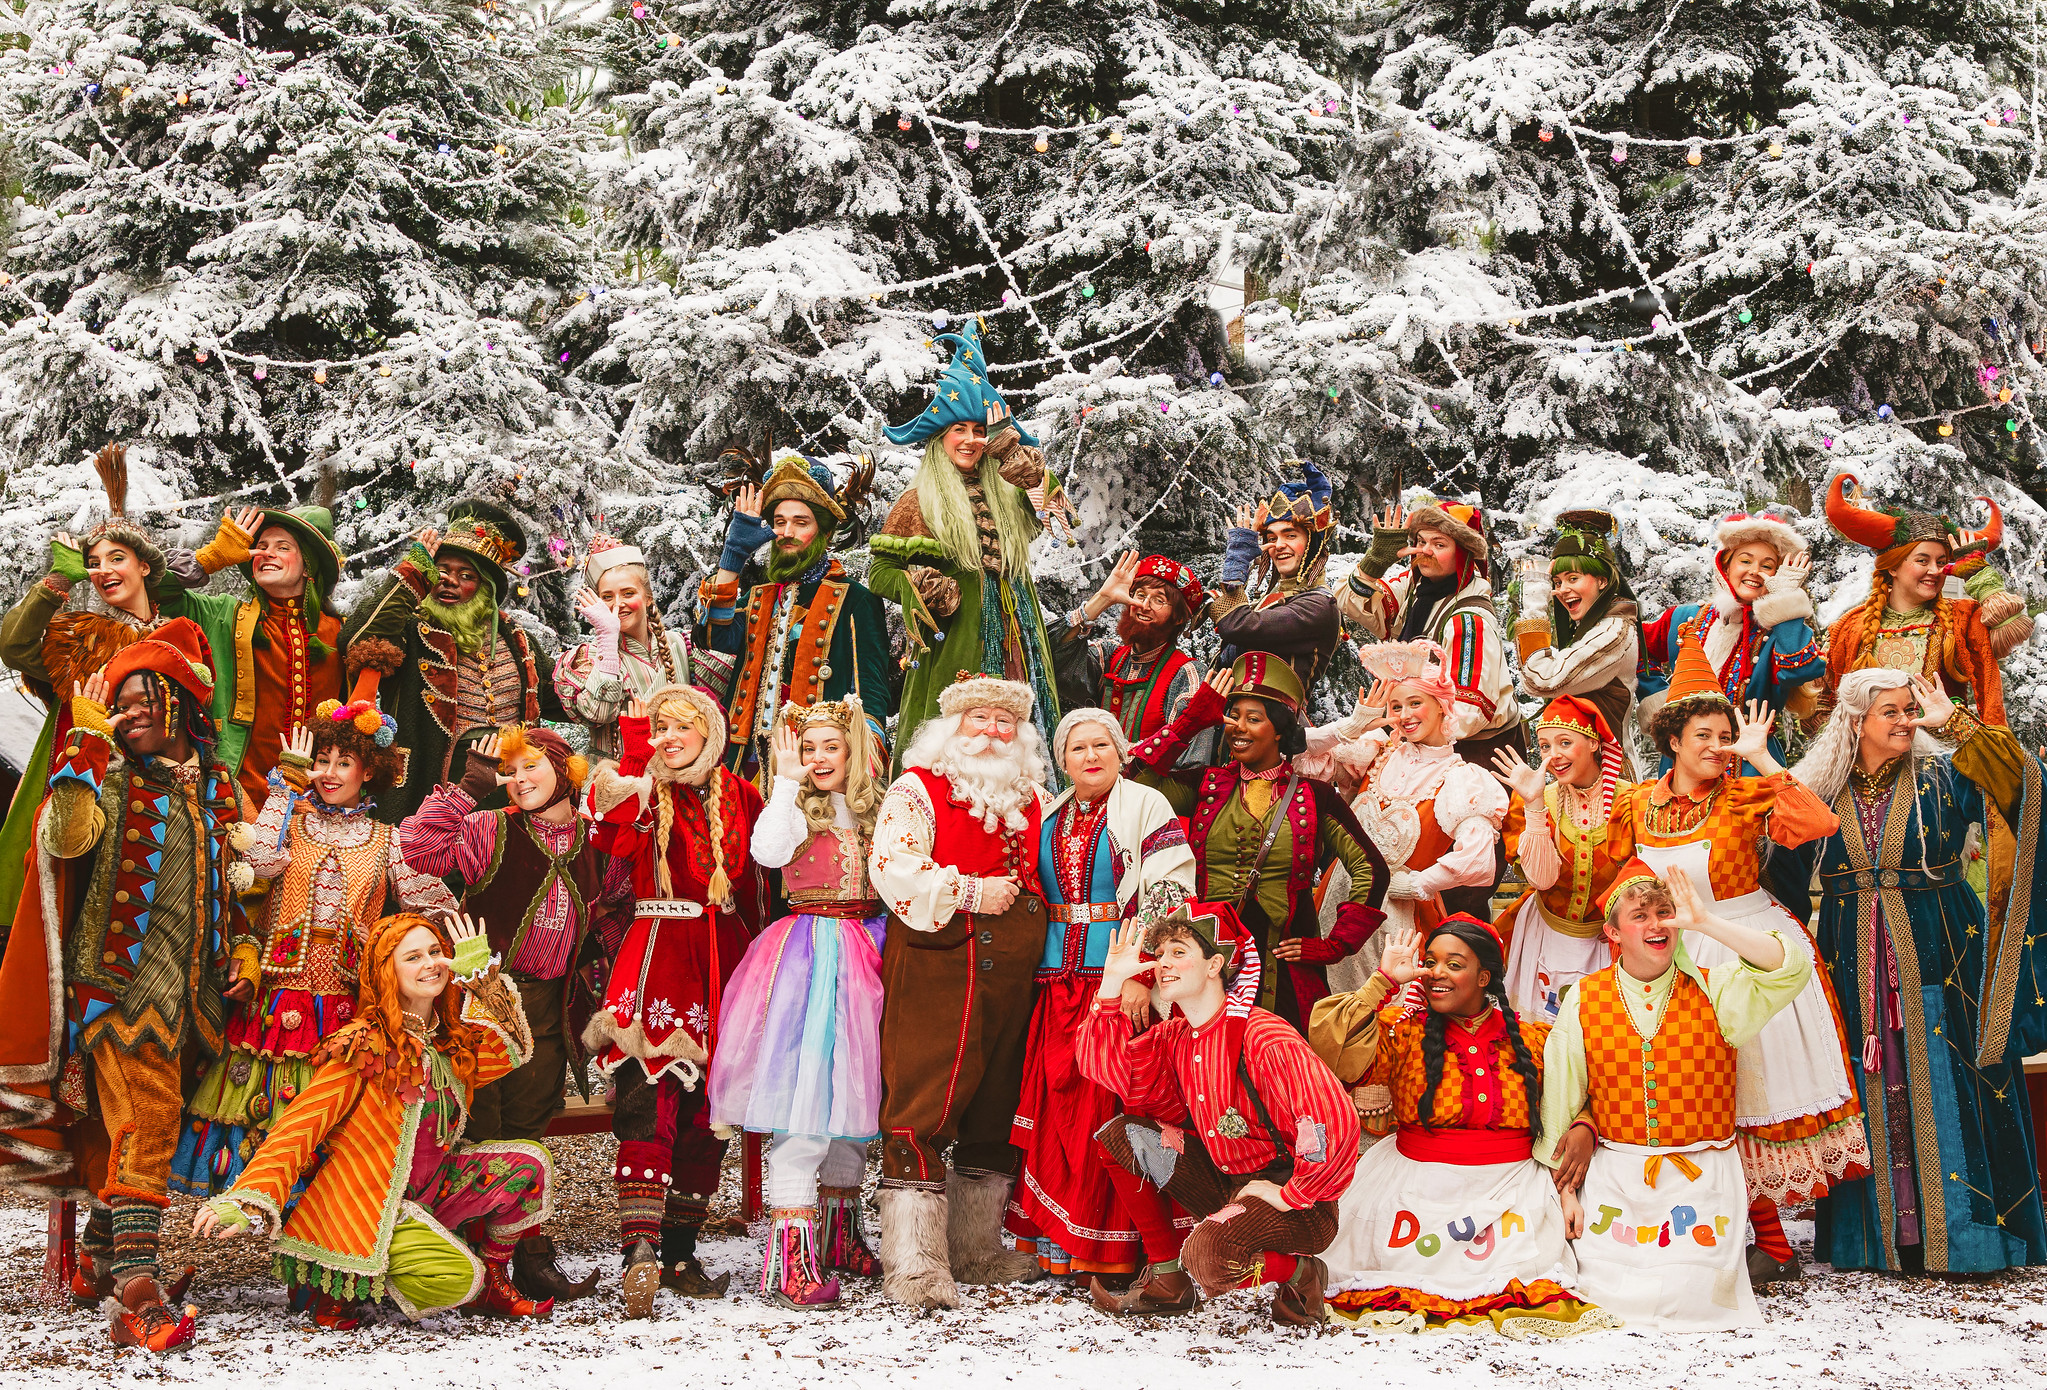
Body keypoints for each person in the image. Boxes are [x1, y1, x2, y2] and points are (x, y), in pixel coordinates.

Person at [0, 618, 244, 1352]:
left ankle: (100, 1259)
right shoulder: (106, 775)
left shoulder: (216, 787)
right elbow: (65, 839)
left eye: (142, 700)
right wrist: (82, 740)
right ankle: (137, 1287)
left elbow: (236, 886)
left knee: (146, 1130)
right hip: (117, 987)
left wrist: (247, 949)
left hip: (194, 997)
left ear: (177, 702)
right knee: (149, 1120)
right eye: (120, 702)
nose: (130, 714)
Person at [1619, 635, 1867, 1285]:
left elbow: (1817, 825)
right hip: (1673, 957)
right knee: (1696, 1102)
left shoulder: (1743, 795)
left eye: (1725, 735)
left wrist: (1762, 758)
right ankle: (1717, 1230)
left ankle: (1772, 1247)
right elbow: (1623, 878)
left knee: (1748, 1097)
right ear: (1672, 739)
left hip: (1747, 949)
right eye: (1704, 734)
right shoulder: (1637, 803)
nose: (1716, 745)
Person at [1794, 671, 2047, 1275]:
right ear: (1856, 720)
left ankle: (1961, 1236)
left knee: (1948, 1071)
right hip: (1851, 953)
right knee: (1868, 1078)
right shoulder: (1818, 788)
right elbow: (1774, 866)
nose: (1906, 720)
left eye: (1910, 709)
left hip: (1943, 951)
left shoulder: (1943, 776)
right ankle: (1876, 1238)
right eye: (1892, 711)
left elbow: (2024, 786)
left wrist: (1955, 725)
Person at [189, 913, 556, 1327]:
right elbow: (298, 1129)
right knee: (456, 1277)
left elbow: (513, 1047)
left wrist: (482, 980)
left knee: (529, 1165)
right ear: (387, 973)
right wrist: (244, 1201)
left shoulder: (449, 1044)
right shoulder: (363, 1048)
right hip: (368, 1205)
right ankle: (345, 1277)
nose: (430, 964)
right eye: (413, 957)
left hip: (431, 1193)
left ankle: (492, 1281)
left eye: (436, 952)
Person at [169, 705, 454, 1196]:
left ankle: (319, 1226)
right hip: (275, 995)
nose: (329, 773)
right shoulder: (290, 823)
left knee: (332, 1118)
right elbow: (258, 863)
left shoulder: (388, 839)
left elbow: (424, 905)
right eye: (321, 760)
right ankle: (259, 1204)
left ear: (368, 770)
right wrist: (284, 785)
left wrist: (459, 944)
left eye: (344, 762)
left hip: (346, 1005)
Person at [1306, 916, 1617, 1337]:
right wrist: (1381, 981)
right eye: (1430, 962)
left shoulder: (1534, 1039)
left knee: (1520, 1281)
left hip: (1510, 1189)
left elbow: (1579, 1095)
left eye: (1454, 964)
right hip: (1414, 1186)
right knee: (1392, 1281)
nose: (1436, 972)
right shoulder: (1402, 1033)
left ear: (1484, 976)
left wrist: (1583, 1125)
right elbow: (1329, 1049)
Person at [1537, 863, 1811, 1332]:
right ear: (1613, 933)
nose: (1656, 923)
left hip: (1700, 1178)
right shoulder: (1585, 996)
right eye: (1640, 915)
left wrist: (1706, 922)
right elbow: (1562, 1097)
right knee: (1600, 1295)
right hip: (1616, 1176)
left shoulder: (1715, 987)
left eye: (1665, 912)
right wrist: (1563, 1190)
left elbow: (1792, 967)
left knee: (1694, 1296)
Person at [398, 723, 610, 1304]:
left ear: (565, 771)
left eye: (529, 767)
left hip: (548, 1005)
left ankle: (530, 1258)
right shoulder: (492, 827)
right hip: (480, 1004)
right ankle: (468, 1261)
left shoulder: (596, 837)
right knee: (479, 1127)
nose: (517, 781)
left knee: (529, 1128)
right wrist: (469, 788)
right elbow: (417, 847)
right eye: (509, 771)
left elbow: (614, 906)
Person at [865, 674, 1054, 1309]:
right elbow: (891, 865)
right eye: (979, 721)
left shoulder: (1035, 797)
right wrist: (971, 892)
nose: (993, 734)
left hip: (1016, 977)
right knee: (924, 1104)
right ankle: (914, 1265)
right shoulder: (916, 788)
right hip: (939, 965)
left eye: (1006, 724)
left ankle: (975, 1248)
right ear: (952, 729)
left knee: (995, 1109)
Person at [1079, 902, 1361, 1325]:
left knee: (1208, 1260)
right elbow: (1112, 1072)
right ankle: (1167, 1281)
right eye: (1159, 955)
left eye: (1178, 951)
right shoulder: (1176, 1035)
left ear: (1215, 964)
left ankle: (1305, 1273)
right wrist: (1110, 988)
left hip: (1300, 1203)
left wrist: (1289, 1193)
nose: (1163, 964)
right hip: (1227, 1183)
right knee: (1122, 1133)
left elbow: (1329, 1121)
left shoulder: (1262, 1035)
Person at [582, 683, 767, 1314]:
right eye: (661, 726)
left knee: (708, 1109)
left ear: (708, 732)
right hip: (658, 950)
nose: (670, 736)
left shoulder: (743, 794)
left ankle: (681, 1250)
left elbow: (761, 879)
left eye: (681, 726)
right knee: (645, 1094)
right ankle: (640, 1249)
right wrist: (637, 755)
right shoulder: (644, 789)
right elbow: (607, 827)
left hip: (722, 955)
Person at [0, 446, 235, 939]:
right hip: (82, 790)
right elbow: (14, 645)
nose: (103, 569)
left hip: (159, 803)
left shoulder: (182, 635)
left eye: (117, 558)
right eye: (92, 562)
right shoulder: (83, 634)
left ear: (145, 567)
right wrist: (58, 579)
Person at [1006, 707, 1197, 1292]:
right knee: (1058, 1109)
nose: (1090, 758)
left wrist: (1144, 972)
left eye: (1101, 746)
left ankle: (1119, 1246)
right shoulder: (1049, 812)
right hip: (1056, 983)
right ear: (1061, 762)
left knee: (1106, 1109)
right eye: (1077, 749)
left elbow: (1169, 887)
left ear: (1120, 751)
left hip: (1116, 982)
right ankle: (1058, 1245)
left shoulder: (1147, 805)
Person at [710, 698, 886, 1310]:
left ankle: (841, 1237)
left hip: (869, 950)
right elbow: (766, 853)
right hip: (811, 953)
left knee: (856, 1096)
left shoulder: (874, 808)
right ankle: (790, 1259)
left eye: (829, 748)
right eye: (807, 749)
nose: (817, 759)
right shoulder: (791, 808)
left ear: (852, 751)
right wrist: (782, 782)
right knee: (808, 1098)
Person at [1124, 652, 1388, 1029]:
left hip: (1285, 973)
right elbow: (1136, 781)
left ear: (1279, 729)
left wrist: (1334, 945)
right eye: (1233, 717)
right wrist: (1189, 723)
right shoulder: (1207, 784)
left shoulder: (1316, 796)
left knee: (1277, 1076)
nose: (1238, 728)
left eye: (1254, 719)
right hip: (1207, 965)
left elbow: (1371, 868)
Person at [868, 319, 1067, 767]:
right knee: (951, 740)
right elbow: (878, 571)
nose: (971, 440)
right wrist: (920, 582)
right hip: (954, 634)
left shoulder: (1008, 490)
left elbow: (1052, 510)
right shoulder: (917, 499)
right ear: (940, 439)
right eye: (960, 430)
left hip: (1018, 629)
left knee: (1020, 737)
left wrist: (1012, 458)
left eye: (980, 431)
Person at [340, 499, 564, 823]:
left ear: (485, 589)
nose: (449, 580)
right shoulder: (410, 629)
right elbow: (357, 638)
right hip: (425, 793)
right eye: (441, 571)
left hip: (509, 798)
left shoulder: (516, 640)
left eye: (465, 574)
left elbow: (560, 696)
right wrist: (411, 577)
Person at [1303, 640, 1507, 950]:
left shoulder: (1461, 779)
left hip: (1397, 919)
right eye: (1396, 706)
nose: (1405, 714)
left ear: (1442, 705)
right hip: (1335, 901)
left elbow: (1478, 861)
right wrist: (1355, 725)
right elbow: (1298, 754)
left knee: (1390, 995)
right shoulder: (1374, 753)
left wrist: (1418, 884)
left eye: (1415, 703)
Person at [698, 454, 891, 778]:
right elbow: (715, 635)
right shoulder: (760, 596)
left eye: (801, 522)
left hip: (814, 768)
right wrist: (732, 557)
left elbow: (870, 693)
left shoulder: (856, 600)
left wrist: (862, 766)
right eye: (779, 522)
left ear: (824, 532)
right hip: (744, 765)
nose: (787, 532)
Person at [158, 486, 351, 809]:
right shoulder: (224, 616)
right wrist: (209, 559)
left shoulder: (341, 631)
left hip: (321, 799)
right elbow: (154, 589)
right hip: (238, 795)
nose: (266, 553)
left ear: (308, 567)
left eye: (282, 546)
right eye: (260, 546)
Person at [1820, 476, 2030, 724]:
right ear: (1894, 567)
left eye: (1942, 562)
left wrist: (1979, 576)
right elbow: (1822, 701)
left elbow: (2015, 629)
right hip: (1868, 760)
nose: (1935, 570)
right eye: (1923, 560)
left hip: (1942, 758)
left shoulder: (1961, 618)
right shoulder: (1849, 626)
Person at [1343, 497, 1523, 785]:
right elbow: (1349, 603)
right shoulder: (1417, 588)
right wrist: (1375, 561)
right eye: (1421, 541)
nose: (1425, 551)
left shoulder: (1468, 621)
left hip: (1472, 762)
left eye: (1439, 545)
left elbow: (1469, 712)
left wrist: (1402, 731)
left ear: (1463, 554)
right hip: (1420, 742)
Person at [1635, 507, 1822, 771]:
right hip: (1682, 764)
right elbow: (1636, 648)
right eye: (1745, 561)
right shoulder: (1684, 618)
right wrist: (1658, 697)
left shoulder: (1778, 633)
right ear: (1726, 564)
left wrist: (1784, 603)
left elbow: (1801, 669)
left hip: (1747, 767)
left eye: (1767, 566)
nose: (1755, 571)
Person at [1490, 695, 1637, 1024]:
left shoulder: (1633, 801)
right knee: (1540, 1031)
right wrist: (1534, 805)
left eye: (1565, 743)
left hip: (1607, 944)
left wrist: (1623, 920)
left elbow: (1647, 877)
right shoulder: (1541, 800)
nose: (1553, 756)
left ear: (1594, 743)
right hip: (1544, 937)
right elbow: (1541, 882)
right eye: (1544, 746)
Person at [555, 532, 735, 761]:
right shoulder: (588, 658)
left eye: (628, 593)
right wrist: (607, 636)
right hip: (620, 785)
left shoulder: (684, 647)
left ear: (648, 597)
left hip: (678, 782)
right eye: (607, 597)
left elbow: (738, 682)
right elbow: (598, 712)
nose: (618, 604)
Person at [1048, 551, 1215, 766]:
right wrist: (1102, 599)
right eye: (1140, 595)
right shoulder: (1109, 657)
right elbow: (1050, 659)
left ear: (1180, 617)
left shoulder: (1188, 674)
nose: (1145, 606)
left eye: (1159, 600)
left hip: (1150, 796)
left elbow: (1184, 760)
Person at [1511, 509, 1643, 776]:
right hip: (1578, 775)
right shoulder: (1590, 628)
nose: (1561, 590)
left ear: (1603, 581)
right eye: (1556, 582)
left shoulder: (1614, 632)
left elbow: (1542, 680)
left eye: (1573, 579)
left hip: (1608, 778)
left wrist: (1535, 606)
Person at [1212, 461, 1343, 697]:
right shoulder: (1271, 598)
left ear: (1313, 543)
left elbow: (1238, 626)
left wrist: (1236, 566)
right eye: (1271, 537)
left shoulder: (1319, 605)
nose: (1279, 545)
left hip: (1275, 728)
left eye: (1290, 535)